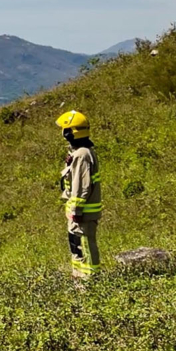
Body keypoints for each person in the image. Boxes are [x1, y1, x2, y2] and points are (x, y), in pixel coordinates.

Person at [57, 109, 102, 280]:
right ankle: (78, 277)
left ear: (71, 132)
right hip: (79, 213)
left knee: (84, 246)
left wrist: (76, 210)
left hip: (83, 214)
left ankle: (89, 280)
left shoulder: (82, 155)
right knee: (77, 245)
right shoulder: (79, 153)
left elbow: (81, 185)